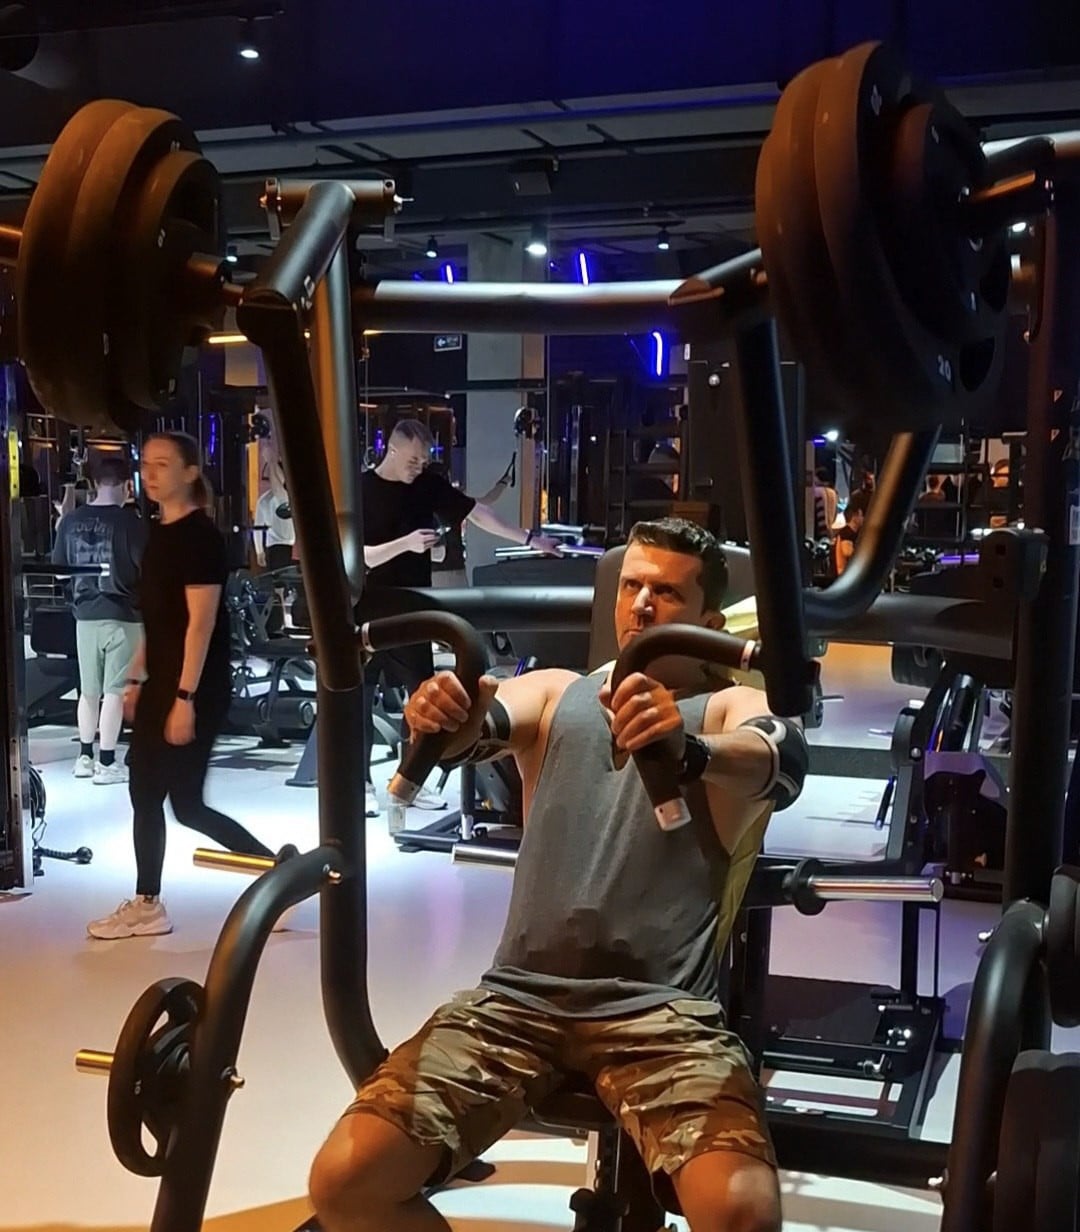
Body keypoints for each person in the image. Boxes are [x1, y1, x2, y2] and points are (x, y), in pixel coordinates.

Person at [309, 517, 809, 1232]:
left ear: (707, 622)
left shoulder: (725, 707)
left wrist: (689, 748)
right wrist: (441, 714)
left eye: (666, 593)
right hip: (516, 1003)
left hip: (660, 1017)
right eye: (631, 586)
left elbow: (778, 756)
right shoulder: (555, 692)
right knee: (346, 1181)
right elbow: (480, 726)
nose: (642, 605)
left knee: (740, 1212)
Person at [87, 432, 274, 940]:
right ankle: (149, 902)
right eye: (146, 464)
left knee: (185, 804)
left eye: (163, 464)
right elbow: (158, 620)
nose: (150, 474)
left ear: (190, 473)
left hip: (194, 688)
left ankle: (276, 879)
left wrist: (184, 698)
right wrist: (136, 677)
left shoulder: (200, 539)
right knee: (146, 791)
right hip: (163, 683)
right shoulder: (157, 534)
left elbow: (200, 625)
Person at [360, 418, 562, 817]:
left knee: (424, 695)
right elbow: (359, 556)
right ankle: (360, 783)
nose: (418, 467)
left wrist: (531, 539)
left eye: (424, 461)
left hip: (413, 609)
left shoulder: (427, 485)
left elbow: (478, 513)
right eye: (413, 460)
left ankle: (410, 777)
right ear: (392, 450)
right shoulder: (362, 490)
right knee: (359, 699)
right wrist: (406, 544)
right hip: (367, 607)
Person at [52, 452, 147, 785]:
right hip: (123, 616)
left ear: (93, 484)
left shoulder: (71, 521)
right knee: (115, 692)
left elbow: (60, 573)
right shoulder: (131, 523)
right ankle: (107, 762)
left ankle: (84, 757)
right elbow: (146, 570)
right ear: (126, 486)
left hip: (85, 617)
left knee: (88, 692)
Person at [254, 457, 296, 572]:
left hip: (278, 546)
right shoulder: (270, 499)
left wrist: (259, 551)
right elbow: (257, 528)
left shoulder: (264, 500)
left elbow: (257, 528)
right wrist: (259, 551)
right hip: (279, 546)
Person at [833, 489, 869, 576]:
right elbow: (848, 552)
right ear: (858, 513)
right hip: (842, 577)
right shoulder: (847, 533)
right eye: (863, 516)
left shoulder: (851, 533)